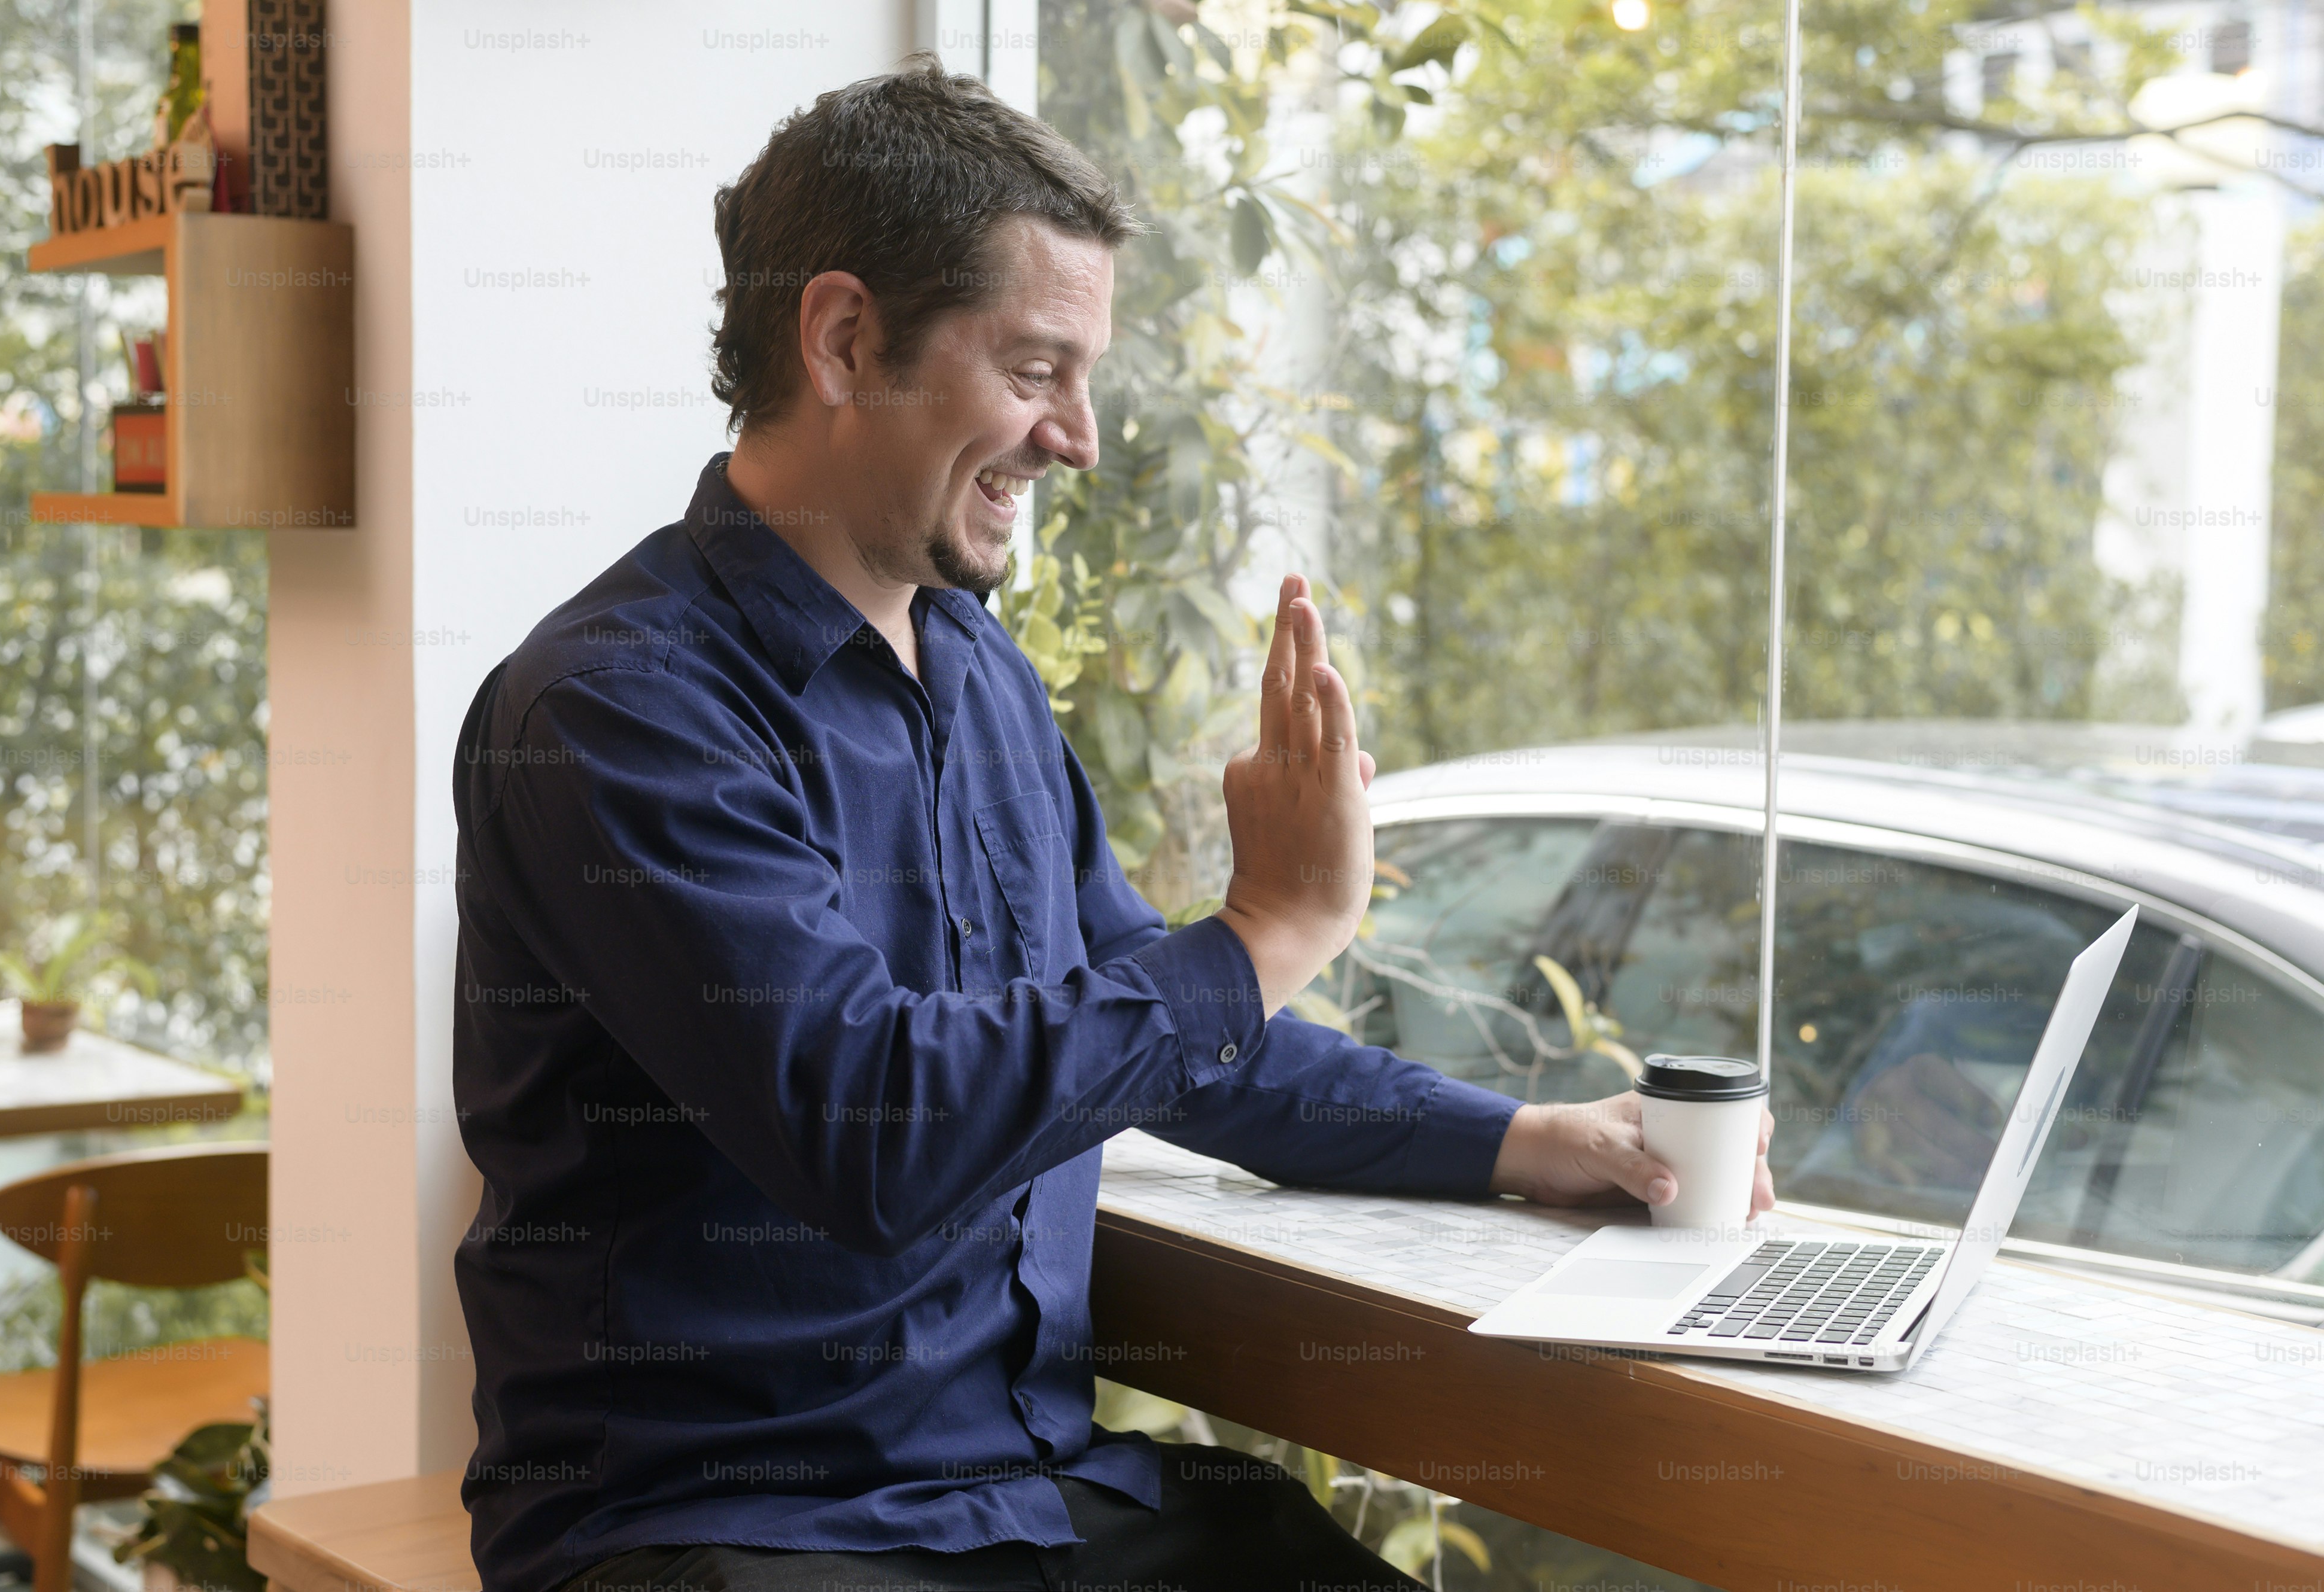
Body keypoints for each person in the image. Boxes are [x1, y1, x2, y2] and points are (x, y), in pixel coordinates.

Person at [449, 54, 1773, 1592]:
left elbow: (1165, 1023)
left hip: (1021, 1495)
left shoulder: (980, 679)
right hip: (727, 1530)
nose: (1076, 437)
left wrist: (1520, 1137)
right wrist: (1267, 926)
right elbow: (871, 1130)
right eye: (1032, 370)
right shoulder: (613, 708)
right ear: (842, 337)